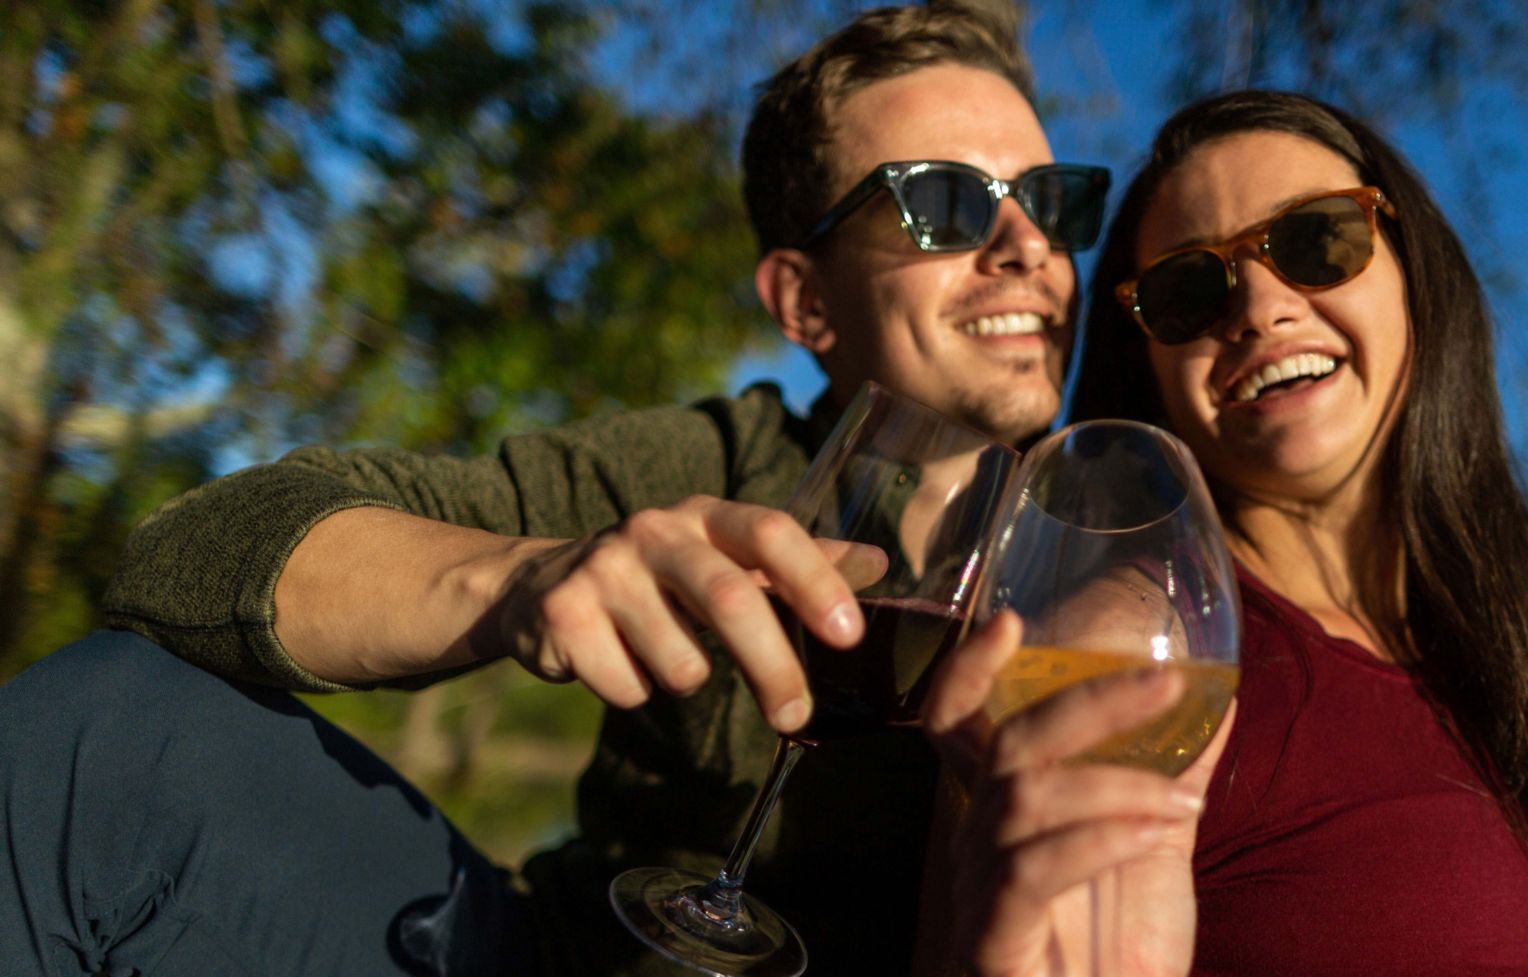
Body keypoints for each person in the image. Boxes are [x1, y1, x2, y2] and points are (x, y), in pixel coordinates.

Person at [0, 3, 1120, 975]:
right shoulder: (717, 468)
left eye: (1050, 199)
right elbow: (188, 556)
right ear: (803, 303)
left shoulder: (1145, 535)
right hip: (571, 961)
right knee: (112, 733)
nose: (1024, 243)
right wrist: (521, 576)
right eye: (941, 202)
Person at [923, 90, 1528, 976]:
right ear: (1150, 363)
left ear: (1415, 270)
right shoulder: (1134, 650)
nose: (1258, 306)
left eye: (1320, 240)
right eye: (1187, 289)